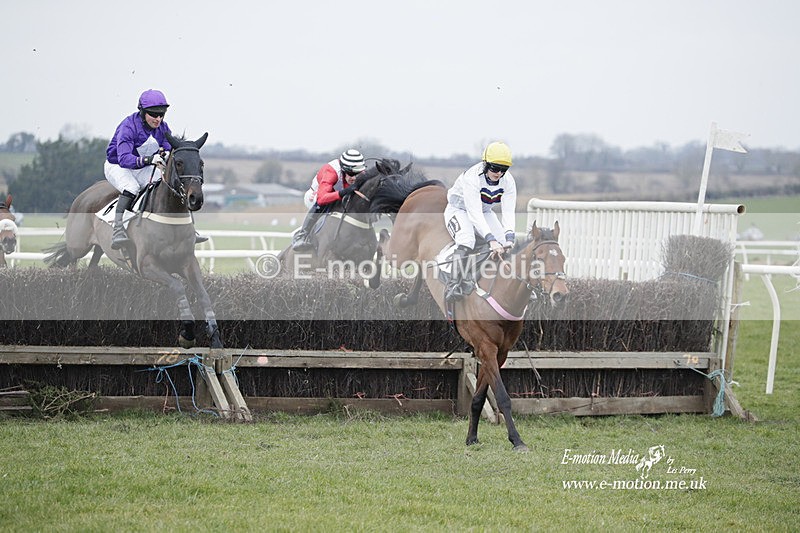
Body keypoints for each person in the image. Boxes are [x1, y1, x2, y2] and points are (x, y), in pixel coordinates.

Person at [104, 89, 207, 249]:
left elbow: (167, 148)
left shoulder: (163, 127)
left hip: (143, 166)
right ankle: (118, 230)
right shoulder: (128, 127)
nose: (158, 118)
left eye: (161, 114)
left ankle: (189, 229)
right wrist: (150, 159)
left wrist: (165, 155)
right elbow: (124, 159)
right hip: (117, 166)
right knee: (132, 187)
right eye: (153, 114)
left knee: (170, 183)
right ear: (143, 112)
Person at [443, 141, 517, 302]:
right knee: (467, 240)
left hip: (485, 211)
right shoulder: (472, 177)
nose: (498, 173)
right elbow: (474, 214)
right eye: (494, 168)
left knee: (504, 243)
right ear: (485, 164)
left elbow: (509, 212)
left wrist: (509, 237)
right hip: (459, 210)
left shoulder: (508, 181)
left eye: (503, 169)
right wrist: (491, 240)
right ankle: (453, 285)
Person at [292, 148, 366, 252]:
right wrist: (344, 192)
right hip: (317, 195)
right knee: (325, 204)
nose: (354, 177)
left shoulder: (360, 172)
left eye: (357, 173)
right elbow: (322, 199)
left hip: (337, 194)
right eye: (350, 173)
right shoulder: (331, 171)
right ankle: (302, 235)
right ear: (344, 169)